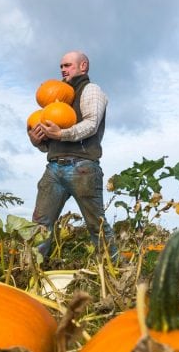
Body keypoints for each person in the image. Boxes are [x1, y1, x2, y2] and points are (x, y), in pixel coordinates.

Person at [29, 51, 117, 261]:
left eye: (67, 65)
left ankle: (116, 271)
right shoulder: (59, 98)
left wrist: (61, 133)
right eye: (61, 66)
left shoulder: (91, 90)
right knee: (39, 224)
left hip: (82, 167)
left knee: (97, 224)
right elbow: (51, 143)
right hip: (54, 168)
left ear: (83, 66)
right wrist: (38, 140)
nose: (62, 69)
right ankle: (30, 272)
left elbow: (91, 124)